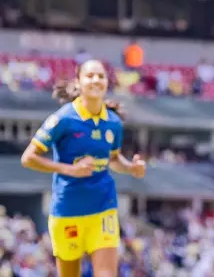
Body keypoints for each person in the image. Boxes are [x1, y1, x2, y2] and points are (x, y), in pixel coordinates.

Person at [21, 59, 146, 277]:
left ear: (107, 82)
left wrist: (131, 168)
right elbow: (28, 158)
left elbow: (113, 160)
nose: (96, 80)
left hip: (103, 208)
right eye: (90, 76)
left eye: (101, 76)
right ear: (78, 82)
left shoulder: (113, 123)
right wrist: (70, 170)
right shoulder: (63, 119)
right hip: (68, 211)